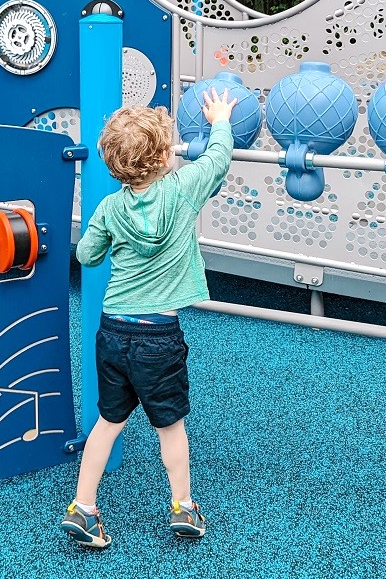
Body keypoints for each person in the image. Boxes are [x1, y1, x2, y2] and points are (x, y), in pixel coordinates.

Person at [60, 88, 238, 549]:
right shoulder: (182, 190)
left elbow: (86, 254)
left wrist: (107, 237)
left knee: (107, 422)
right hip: (159, 333)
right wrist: (220, 119)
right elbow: (218, 159)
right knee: (170, 426)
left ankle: (83, 507)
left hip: (114, 331)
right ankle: (183, 507)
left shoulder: (109, 208)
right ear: (163, 157)